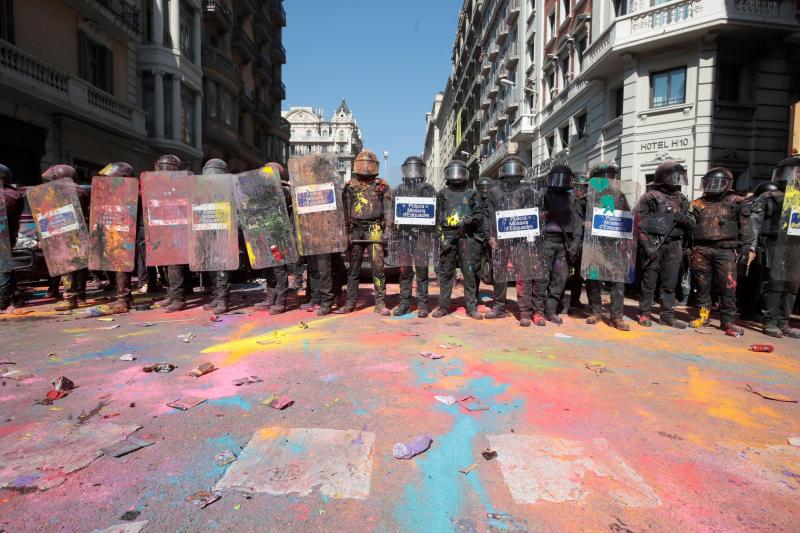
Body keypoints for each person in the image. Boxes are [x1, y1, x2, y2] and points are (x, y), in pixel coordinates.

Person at [688, 167, 754, 335]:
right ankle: (704, 316)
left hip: (726, 250)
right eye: (709, 182)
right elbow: (689, 227)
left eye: (717, 183)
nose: (713, 186)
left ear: (727, 184)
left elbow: (745, 226)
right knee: (702, 287)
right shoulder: (697, 203)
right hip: (701, 249)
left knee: (728, 287)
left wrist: (746, 246)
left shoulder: (737, 202)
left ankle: (728, 322)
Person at [636, 160, 694, 329]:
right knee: (649, 281)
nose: (677, 181)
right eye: (673, 177)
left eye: (679, 177)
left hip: (675, 245)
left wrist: (684, 219)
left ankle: (667, 315)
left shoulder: (683, 200)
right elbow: (640, 224)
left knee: (670, 282)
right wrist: (647, 247)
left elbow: (692, 222)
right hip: (654, 242)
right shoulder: (650, 197)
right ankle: (644, 313)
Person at [483, 155, 539, 325]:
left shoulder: (528, 190)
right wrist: (490, 236)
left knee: (524, 275)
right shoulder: (494, 190)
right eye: (509, 169)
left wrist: (532, 237)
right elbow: (488, 215)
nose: (512, 173)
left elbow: (534, 214)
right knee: (500, 273)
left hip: (522, 240)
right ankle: (499, 306)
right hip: (500, 239)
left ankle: (525, 312)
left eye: (515, 169)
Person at [337, 150, 393, 315]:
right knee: (353, 268)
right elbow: (344, 211)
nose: (366, 167)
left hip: (375, 227)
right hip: (355, 229)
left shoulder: (382, 185)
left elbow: (389, 209)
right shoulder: (350, 185)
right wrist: (346, 233)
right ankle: (350, 302)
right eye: (363, 163)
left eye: (369, 164)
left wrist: (388, 229)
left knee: (378, 267)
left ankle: (380, 303)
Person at [752, 156, 800, 338]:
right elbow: (754, 224)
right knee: (775, 283)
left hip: (796, 246)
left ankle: (784, 322)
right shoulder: (769, 196)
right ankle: (770, 322)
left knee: (792, 284)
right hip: (774, 245)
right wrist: (751, 247)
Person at [581, 162, 631, 331]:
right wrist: (585, 223)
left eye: (611, 175)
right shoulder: (587, 196)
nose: (608, 179)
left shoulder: (620, 196)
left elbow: (627, 218)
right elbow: (576, 218)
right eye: (604, 176)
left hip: (613, 245)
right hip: (593, 244)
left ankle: (617, 317)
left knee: (618, 280)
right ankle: (595, 311)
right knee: (593, 279)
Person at [532, 164, 582, 326]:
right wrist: (545, 214)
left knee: (560, 280)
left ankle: (551, 311)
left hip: (564, 244)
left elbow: (577, 222)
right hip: (545, 241)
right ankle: (538, 311)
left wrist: (576, 242)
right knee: (542, 278)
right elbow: (531, 218)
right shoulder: (542, 195)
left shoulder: (572, 198)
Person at [433, 159, 483, 320]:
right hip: (448, 236)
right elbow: (436, 219)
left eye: (460, 172)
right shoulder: (442, 194)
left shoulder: (472, 193)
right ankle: (443, 306)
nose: (457, 176)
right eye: (454, 172)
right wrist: (442, 240)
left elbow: (479, 214)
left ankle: (471, 307)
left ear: (466, 175)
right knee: (446, 274)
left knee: (469, 273)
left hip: (467, 237)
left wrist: (473, 221)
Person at [390, 156, 436, 318]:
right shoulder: (398, 190)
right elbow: (393, 213)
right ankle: (405, 303)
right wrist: (394, 236)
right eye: (410, 169)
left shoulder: (428, 189)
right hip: (404, 237)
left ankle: (422, 304)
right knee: (404, 272)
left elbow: (434, 215)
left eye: (416, 168)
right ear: (404, 170)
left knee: (422, 272)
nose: (413, 172)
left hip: (422, 236)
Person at [41, 165, 90, 311]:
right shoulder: (81, 191)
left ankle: (70, 298)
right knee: (81, 266)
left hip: (64, 232)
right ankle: (81, 296)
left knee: (67, 267)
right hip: (80, 232)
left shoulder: (59, 192)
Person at [96, 162, 139, 314]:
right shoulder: (116, 193)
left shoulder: (133, 194)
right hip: (116, 232)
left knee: (121, 265)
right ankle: (125, 297)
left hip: (125, 235)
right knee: (117, 265)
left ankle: (123, 300)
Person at [151, 154, 192, 313]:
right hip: (163, 227)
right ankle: (172, 294)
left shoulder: (183, 182)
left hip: (178, 228)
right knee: (165, 263)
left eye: (165, 167)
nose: (163, 170)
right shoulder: (158, 184)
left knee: (175, 264)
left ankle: (179, 299)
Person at [254, 162, 292, 315]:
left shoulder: (284, 190)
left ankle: (281, 301)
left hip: (278, 236)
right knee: (268, 267)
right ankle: (270, 297)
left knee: (278, 268)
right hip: (265, 235)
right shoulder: (263, 191)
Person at [197, 158, 233, 314]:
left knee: (222, 267)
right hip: (208, 232)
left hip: (224, 233)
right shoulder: (203, 190)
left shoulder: (229, 188)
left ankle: (223, 300)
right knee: (211, 266)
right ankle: (216, 297)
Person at [0, 164, 23, 312]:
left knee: (3, 268)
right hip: (7, 237)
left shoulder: (9, 195)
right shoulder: (14, 195)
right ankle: (12, 296)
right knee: (5, 267)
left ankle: (3, 301)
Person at [567, 174, 589, 312]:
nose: (580, 190)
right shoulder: (567, 200)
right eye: (577, 187)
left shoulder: (589, 202)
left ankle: (575, 300)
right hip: (569, 239)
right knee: (562, 273)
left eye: (583, 187)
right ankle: (556, 301)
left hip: (584, 242)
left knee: (579, 275)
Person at [474, 176, 494, 307]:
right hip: (476, 238)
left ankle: (498, 300)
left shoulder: (494, 201)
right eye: (483, 188)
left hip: (491, 239)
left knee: (495, 268)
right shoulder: (474, 201)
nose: (485, 191)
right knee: (475, 268)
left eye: (487, 188)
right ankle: (474, 295)